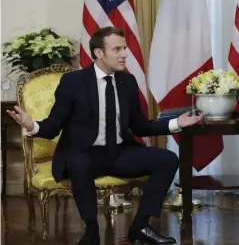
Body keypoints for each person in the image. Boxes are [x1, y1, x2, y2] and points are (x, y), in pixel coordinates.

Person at [7, 26, 204, 245]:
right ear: (99, 53)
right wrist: (30, 124)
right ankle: (92, 231)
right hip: (84, 155)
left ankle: (140, 227)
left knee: (167, 159)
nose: (124, 54)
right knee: (79, 163)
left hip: (118, 153)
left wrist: (178, 123)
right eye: (117, 49)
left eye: (125, 48)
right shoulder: (74, 82)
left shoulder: (127, 82)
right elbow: (53, 127)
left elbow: (140, 127)